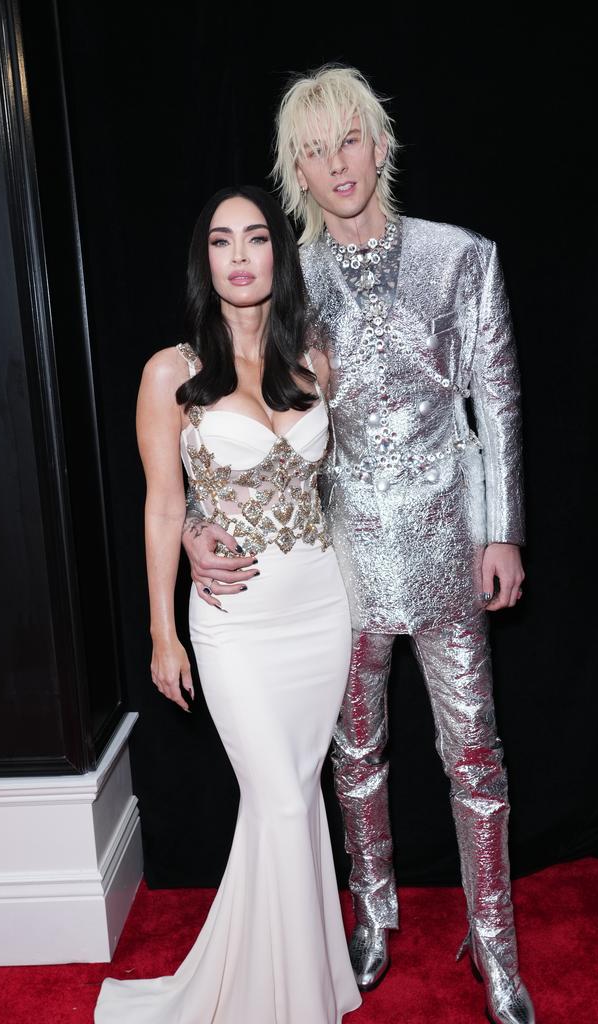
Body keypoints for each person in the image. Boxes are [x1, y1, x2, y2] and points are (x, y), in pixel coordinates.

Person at [183, 67, 535, 1024]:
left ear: (380, 145)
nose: (336, 163)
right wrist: (188, 519)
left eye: (349, 140)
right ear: (295, 170)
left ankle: (495, 945)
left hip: (447, 549)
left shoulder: (461, 258)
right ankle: (373, 919)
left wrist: (501, 530)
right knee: (356, 755)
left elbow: (493, 403)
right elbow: (213, 397)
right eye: (313, 149)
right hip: (334, 565)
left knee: (476, 758)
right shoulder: (288, 274)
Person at [94, 184, 361, 1024]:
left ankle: (287, 987)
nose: (240, 256)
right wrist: (161, 632)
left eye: (256, 238)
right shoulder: (170, 372)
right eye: (221, 240)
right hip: (237, 627)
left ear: (279, 254)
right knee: (281, 800)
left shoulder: (316, 359)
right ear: (203, 260)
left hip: (323, 613)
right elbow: (165, 507)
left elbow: (349, 485)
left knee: (290, 803)